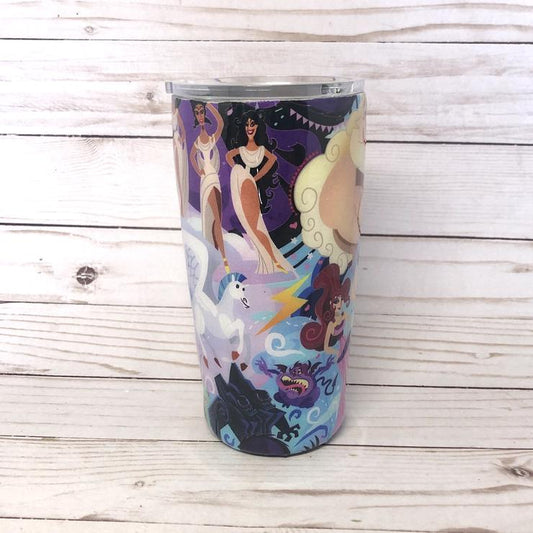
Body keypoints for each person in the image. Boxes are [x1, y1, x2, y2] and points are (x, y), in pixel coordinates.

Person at [225, 110, 292, 275]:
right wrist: (239, 170)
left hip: (250, 187)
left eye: (252, 124)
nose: (249, 127)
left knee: (255, 227)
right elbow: (229, 156)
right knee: (253, 227)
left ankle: (275, 261)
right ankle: (273, 261)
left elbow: (272, 159)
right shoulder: (242, 149)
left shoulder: (261, 150)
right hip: (243, 183)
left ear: (257, 127)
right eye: (247, 124)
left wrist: (255, 177)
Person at [189, 101, 230, 273]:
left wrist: (210, 105)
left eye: (202, 112)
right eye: (197, 112)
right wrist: (199, 171)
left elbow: (220, 123)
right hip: (206, 180)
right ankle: (224, 259)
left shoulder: (211, 138)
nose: (200, 115)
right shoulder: (198, 141)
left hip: (214, 179)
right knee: (217, 220)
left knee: (217, 217)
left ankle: (219, 255)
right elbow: (192, 157)